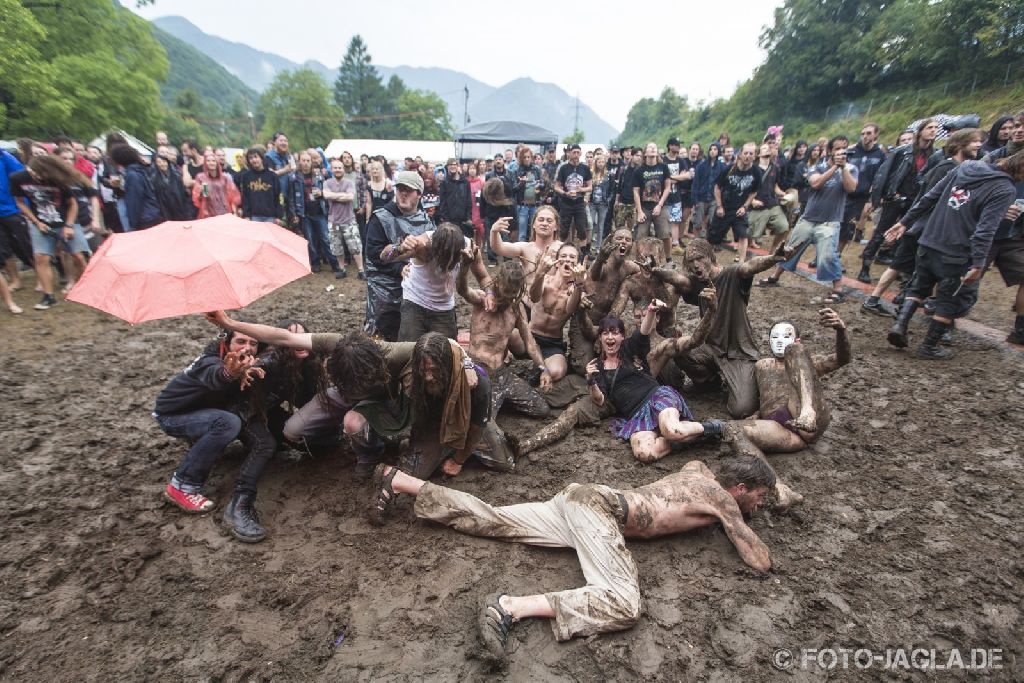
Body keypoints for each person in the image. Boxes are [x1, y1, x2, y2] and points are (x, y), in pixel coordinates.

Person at [368, 456, 773, 663]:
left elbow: (699, 466)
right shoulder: (721, 498)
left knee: (495, 518)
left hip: (579, 499)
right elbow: (759, 560)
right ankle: (509, 608)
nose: (760, 505)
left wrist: (775, 489)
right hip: (601, 510)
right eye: (759, 497)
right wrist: (740, 515)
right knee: (623, 603)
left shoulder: (696, 472)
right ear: (739, 487)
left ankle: (401, 480)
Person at [885, 150, 1022, 358]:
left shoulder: (967, 167)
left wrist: (904, 222)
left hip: (930, 241)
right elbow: (985, 230)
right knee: (953, 299)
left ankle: (900, 325)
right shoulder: (1004, 188)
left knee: (919, 286)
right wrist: (978, 263)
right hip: (957, 250)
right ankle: (929, 346)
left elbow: (929, 197)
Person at [724, 308, 850, 507]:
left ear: (797, 339)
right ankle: (780, 488)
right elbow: (763, 397)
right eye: (775, 336)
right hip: (781, 428)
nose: (780, 340)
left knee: (795, 354)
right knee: (731, 428)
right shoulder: (761, 366)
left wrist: (841, 331)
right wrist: (756, 414)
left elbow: (842, 359)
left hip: (807, 414)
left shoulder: (809, 362)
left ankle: (807, 411)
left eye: (787, 335)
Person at [153, 326, 270, 540]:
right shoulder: (209, 361)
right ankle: (182, 486)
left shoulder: (246, 364)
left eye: (253, 343)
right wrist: (230, 373)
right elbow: (216, 375)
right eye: (241, 341)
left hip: (198, 411)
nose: (248, 347)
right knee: (227, 423)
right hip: (172, 415)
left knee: (228, 418)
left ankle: (198, 442)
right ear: (225, 343)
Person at [656, 238, 794, 417]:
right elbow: (677, 279)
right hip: (710, 349)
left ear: (710, 256)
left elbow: (750, 266)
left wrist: (774, 258)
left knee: (741, 409)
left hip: (739, 353)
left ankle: (736, 382)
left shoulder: (733, 274)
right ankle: (709, 381)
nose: (696, 265)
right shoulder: (696, 282)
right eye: (691, 262)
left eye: (699, 258)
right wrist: (655, 270)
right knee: (678, 350)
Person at [862, 128, 983, 316]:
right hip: (921, 227)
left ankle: (908, 305)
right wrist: (908, 222)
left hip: (933, 229)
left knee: (920, 270)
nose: (979, 145)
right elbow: (927, 198)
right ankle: (873, 299)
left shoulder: (963, 170)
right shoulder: (944, 168)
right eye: (974, 141)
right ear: (960, 144)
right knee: (899, 265)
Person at [585, 293, 720, 462]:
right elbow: (599, 400)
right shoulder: (597, 366)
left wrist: (651, 310)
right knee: (645, 454)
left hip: (657, 398)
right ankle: (689, 439)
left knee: (671, 430)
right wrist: (591, 381)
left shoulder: (629, 349)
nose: (610, 337)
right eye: (605, 333)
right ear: (600, 338)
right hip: (636, 415)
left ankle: (715, 427)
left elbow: (643, 332)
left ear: (622, 337)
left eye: (615, 333)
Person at [456, 256, 551, 472]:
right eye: (505, 292)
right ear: (498, 283)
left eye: (513, 294)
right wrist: (463, 267)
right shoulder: (483, 300)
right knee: (482, 422)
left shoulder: (515, 310)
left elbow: (529, 341)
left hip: (503, 374)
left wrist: (543, 367)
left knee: (542, 409)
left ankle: (503, 402)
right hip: (480, 371)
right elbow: (462, 290)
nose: (507, 298)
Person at [760, 136, 858, 303]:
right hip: (809, 218)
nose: (840, 152)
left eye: (844, 148)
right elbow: (815, 184)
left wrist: (843, 169)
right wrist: (835, 167)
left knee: (829, 256)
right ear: (830, 151)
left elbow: (851, 188)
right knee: (790, 248)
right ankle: (775, 277)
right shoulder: (816, 167)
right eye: (836, 149)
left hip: (830, 221)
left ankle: (838, 289)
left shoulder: (851, 169)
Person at [381, 221, 490, 341]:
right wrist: (399, 247)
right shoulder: (422, 246)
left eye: (453, 259)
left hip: (444, 306)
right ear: (434, 247)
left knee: (447, 353)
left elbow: (483, 277)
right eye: (444, 258)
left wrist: (490, 294)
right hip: (415, 301)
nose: (448, 265)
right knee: (409, 350)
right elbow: (385, 257)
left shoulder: (469, 250)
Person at [9, 155, 93, 310]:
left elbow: (73, 205)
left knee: (79, 256)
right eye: (34, 174)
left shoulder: (59, 179)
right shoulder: (17, 178)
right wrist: (36, 222)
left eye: (40, 174)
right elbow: (20, 203)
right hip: (41, 222)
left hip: (67, 220)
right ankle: (48, 296)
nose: (37, 177)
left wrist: (68, 225)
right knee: (41, 258)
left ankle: (86, 289)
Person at [860, 119, 939, 282]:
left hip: (916, 200)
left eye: (936, 128)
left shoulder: (935, 155)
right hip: (895, 198)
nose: (933, 130)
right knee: (881, 232)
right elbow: (884, 173)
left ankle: (899, 270)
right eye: (930, 127)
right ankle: (865, 267)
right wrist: (881, 196)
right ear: (921, 131)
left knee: (908, 236)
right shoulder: (903, 151)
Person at [364, 170, 434, 340]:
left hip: (416, 288)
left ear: (419, 194)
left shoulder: (426, 221)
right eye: (399, 189)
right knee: (383, 334)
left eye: (408, 190)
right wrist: (400, 267)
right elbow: (373, 255)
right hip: (385, 287)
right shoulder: (380, 218)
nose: (403, 194)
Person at [529, 244, 587, 381]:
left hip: (552, 342)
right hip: (530, 336)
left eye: (572, 257)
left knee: (557, 371)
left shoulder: (575, 290)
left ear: (578, 264)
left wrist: (579, 284)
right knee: (512, 336)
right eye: (563, 256)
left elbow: (570, 309)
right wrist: (540, 272)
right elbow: (534, 297)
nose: (567, 260)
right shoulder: (545, 281)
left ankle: (538, 372)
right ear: (556, 262)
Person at [287, 151, 340, 276]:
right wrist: (294, 214)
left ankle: (334, 263)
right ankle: (315, 263)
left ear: (312, 162)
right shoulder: (293, 177)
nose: (305, 163)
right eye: (303, 160)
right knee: (309, 239)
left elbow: (329, 188)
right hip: (304, 214)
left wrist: (322, 193)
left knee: (325, 238)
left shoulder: (319, 175)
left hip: (319, 211)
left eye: (308, 161)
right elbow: (291, 198)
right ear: (299, 161)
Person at [709, 142, 761, 258]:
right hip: (724, 208)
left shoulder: (756, 172)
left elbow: (754, 191)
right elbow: (717, 187)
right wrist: (719, 206)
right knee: (713, 237)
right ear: (740, 154)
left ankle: (741, 264)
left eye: (751, 153)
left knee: (743, 235)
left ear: (755, 155)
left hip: (740, 209)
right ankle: (708, 262)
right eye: (745, 153)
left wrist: (745, 206)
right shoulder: (729, 169)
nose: (747, 156)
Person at [842, 123, 885, 257]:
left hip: (863, 196)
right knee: (835, 224)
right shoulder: (852, 151)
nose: (865, 136)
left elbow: (880, 178)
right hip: (846, 193)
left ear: (876, 135)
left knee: (849, 228)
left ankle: (837, 256)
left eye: (869, 133)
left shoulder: (880, 154)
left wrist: (872, 199)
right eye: (863, 133)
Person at [323, 159, 364, 280]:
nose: (337, 170)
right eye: (335, 168)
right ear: (331, 169)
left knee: (355, 246)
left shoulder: (349, 182)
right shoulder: (327, 183)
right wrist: (342, 195)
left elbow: (350, 197)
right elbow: (325, 195)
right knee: (337, 246)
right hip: (333, 221)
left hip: (349, 220)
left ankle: (361, 270)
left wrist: (333, 196)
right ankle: (342, 269)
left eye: (339, 168)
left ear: (343, 169)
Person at [746, 143, 788, 259]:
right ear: (759, 153)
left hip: (772, 204)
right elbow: (745, 189)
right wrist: (752, 201)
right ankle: (743, 254)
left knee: (784, 226)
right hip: (756, 206)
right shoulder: (752, 169)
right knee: (747, 232)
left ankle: (773, 250)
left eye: (768, 148)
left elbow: (775, 186)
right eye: (764, 148)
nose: (767, 150)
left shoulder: (775, 167)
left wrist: (784, 194)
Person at [109, 145, 164, 231]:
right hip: (151, 214)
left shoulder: (132, 175)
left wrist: (133, 224)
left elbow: (134, 201)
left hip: (145, 218)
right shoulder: (140, 170)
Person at [632, 143, 672, 259]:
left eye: (655, 147)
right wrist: (639, 211)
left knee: (665, 234)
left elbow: (668, 187)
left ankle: (668, 259)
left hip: (661, 206)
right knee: (640, 236)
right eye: (650, 147)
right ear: (645, 153)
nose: (653, 148)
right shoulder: (639, 170)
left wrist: (659, 205)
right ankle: (640, 260)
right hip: (644, 208)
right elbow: (635, 191)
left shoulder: (663, 167)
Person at [555, 144, 593, 253]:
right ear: (569, 153)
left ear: (580, 154)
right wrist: (565, 193)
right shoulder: (564, 168)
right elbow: (556, 187)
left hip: (579, 203)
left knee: (582, 230)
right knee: (563, 231)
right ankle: (561, 252)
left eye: (578, 152)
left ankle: (583, 256)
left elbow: (590, 187)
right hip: (566, 203)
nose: (576, 155)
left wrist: (581, 190)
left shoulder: (585, 168)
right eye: (574, 152)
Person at [237, 147, 283, 224]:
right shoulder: (246, 176)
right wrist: (246, 215)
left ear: (261, 158)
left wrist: (278, 215)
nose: (254, 160)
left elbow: (278, 196)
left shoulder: (272, 176)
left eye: (256, 157)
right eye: (250, 158)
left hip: (271, 216)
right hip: (253, 216)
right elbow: (245, 197)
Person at [192, 150, 240, 220]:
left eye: (213, 161)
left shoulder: (225, 178)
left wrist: (235, 213)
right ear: (205, 163)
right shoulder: (201, 177)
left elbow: (233, 197)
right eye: (208, 161)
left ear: (217, 163)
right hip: (207, 213)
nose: (211, 163)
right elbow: (197, 199)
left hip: (224, 212)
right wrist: (201, 192)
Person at [148, 147, 192, 221]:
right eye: (159, 162)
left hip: (180, 209)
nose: (162, 164)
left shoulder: (177, 175)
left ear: (167, 162)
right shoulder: (154, 179)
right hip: (165, 211)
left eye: (164, 161)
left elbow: (183, 194)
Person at [692, 143, 725, 237]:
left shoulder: (722, 167)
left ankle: (710, 243)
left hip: (714, 198)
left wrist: (721, 201)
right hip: (701, 197)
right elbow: (695, 184)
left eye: (715, 149)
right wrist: (695, 200)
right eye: (711, 149)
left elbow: (723, 184)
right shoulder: (701, 166)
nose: (713, 151)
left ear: (718, 151)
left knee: (712, 222)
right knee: (697, 222)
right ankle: (696, 242)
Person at [513, 145, 544, 239]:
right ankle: (521, 253)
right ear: (521, 158)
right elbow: (514, 189)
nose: (526, 159)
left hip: (534, 205)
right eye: (524, 157)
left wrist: (538, 185)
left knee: (535, 232)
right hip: (522, 206)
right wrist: (522, 183)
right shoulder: (517, 170)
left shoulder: (536, 169)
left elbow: (543, 184)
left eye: (528, 157)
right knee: (522, 233)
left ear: (531, 158)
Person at [437, 157, 473, 237]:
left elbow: (469, 200)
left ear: (457, 166)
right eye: (450, 165)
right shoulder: (444, 183)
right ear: (447, 167)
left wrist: (468, 218)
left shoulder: (465, 182)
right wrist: (446, 219)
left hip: (464, 221)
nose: (452, 166)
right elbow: (442, 203)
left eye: (454, 164)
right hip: (450, 222)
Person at [589, 154, 612, 250]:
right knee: (591, 223)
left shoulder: (608, 175)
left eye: (603, 162)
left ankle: (598, 247)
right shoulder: (591, 174)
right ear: (596, 163)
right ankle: (589, 245)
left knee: (600, 225)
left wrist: (608, 200)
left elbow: (612, 189)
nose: (601, 164)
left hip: (603, 203)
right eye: (599, 162)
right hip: (592, 203)